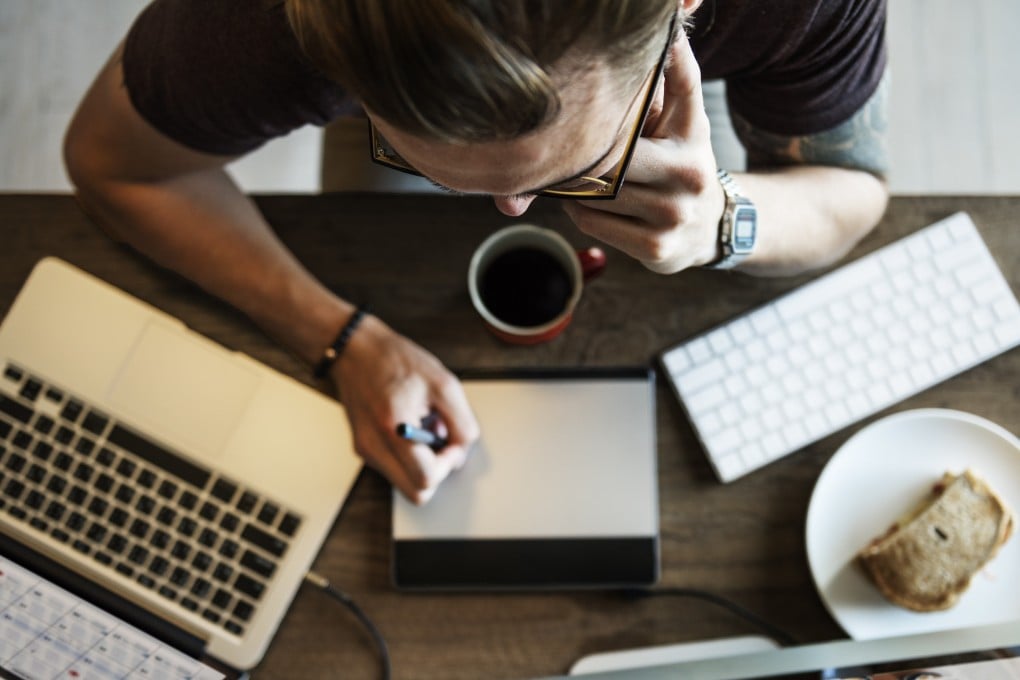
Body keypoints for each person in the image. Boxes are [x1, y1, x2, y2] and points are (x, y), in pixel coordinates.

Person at [63, 0, 889, 504]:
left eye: (575, 171)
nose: (516, 212)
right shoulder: (254, 29)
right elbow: (112, 166)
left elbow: (850, 195)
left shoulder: (797, 4)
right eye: (437, 167)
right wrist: (344, 338)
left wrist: (724, 220)